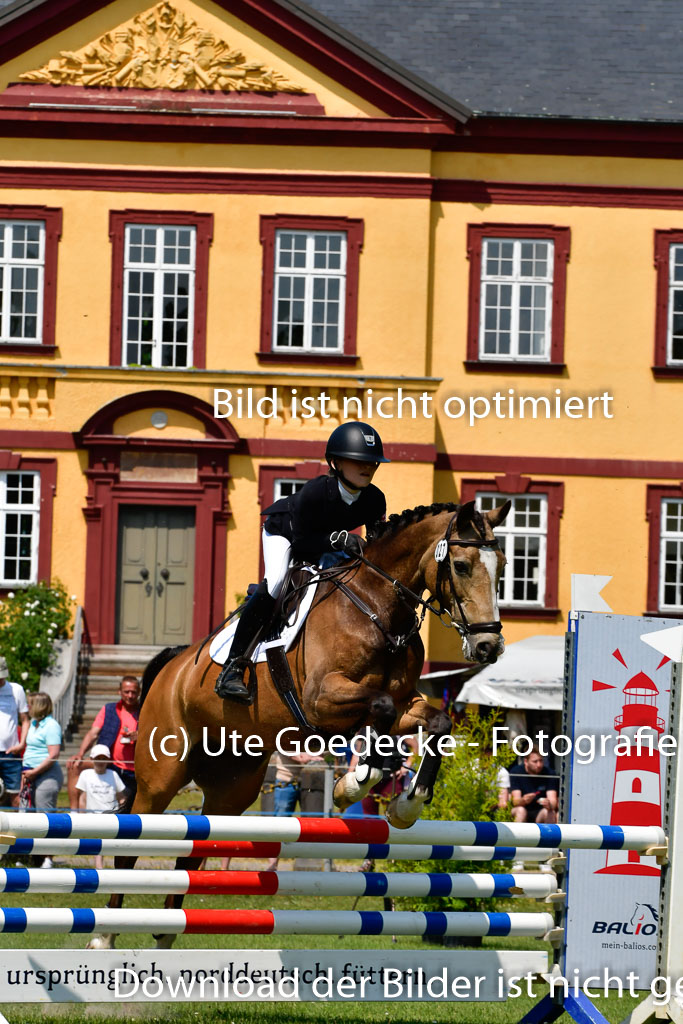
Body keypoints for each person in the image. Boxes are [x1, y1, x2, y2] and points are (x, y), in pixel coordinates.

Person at [215, 421, 389, 703]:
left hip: (324, 544)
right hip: (286, 533)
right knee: (277, 582)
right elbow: (303, 544)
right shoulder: (316, 492)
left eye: (372, 462)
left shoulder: (375, 499)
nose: (367, 467)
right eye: (358, 460)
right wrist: (339, 539)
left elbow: (376, 545)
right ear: (335, 462)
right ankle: (233, 668)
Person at [66, 676, 140, 809]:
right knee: (74, 765)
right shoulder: (109, 709)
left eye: (133, 692)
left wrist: (141, 736)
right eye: (126, 692)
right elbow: (93, 733)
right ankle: (74, 811)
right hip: (108, 762)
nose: (130, 695)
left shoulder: (144, 711)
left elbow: (156, 735)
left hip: (134, 768)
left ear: (139, 692)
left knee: (129, 808)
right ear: (119, 692)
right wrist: (80, 753)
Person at [22, 693, 63, 866]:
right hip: (28, 774)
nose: (27, 708)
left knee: (45, 817)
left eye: (30, 704)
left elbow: (53, 754)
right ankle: (26, 856)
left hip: (46, 775)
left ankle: (47, 858)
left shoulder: (51, 726)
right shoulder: (33, 724)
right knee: (25, 816)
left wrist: (35, 771)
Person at [75, 744, 127, 869]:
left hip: (111, 815)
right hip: (93, 816)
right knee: (99, 841)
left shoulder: (113, 775)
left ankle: (106, 867)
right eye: (98, 758)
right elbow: (82, 798)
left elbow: (121, 797)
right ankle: (99, 867)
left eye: (104, 759)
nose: (101, 762)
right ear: (92, 759)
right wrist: (82, 816)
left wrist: (122, 812)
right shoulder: (86, 775)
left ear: (108, 761)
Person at [0, 656, 29, 809]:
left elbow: (25, 719)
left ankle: (19, 831)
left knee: (16, 796)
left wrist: (22, 743)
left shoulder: (16, 690)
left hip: (11, 752)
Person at [510, 747, 559, 824]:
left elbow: (553, 801)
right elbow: (515, 801)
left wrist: (549, 804)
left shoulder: (549, 774)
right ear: (526, 761)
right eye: (535, 761)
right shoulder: (516, 772)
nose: (539, 765)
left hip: (540, 812)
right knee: (520, 811)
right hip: (522, 809)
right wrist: (523, 800)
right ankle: (519, 835)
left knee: (550, 812)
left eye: (541, 761)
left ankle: (549, 836)